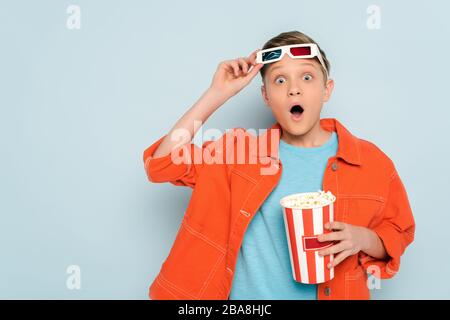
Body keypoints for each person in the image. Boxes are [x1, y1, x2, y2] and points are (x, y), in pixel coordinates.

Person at [143, 30, 415, 299]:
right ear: (266, 96)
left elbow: (397, 232)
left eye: (307, 77)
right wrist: (217, 93)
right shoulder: (237, 153)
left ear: (326, 90)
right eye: (280, 80)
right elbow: (162, 164)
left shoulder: (370, 162)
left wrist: (363, 239)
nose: (293, 88)